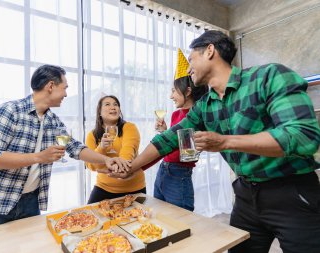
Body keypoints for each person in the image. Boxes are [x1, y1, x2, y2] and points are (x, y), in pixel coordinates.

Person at [110, 30, 320, 253]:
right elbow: (169, 138)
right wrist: (133, 167)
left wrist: (226, 142)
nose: (189, 68)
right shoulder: (204, 105)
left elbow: (303, 136)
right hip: (245, 195)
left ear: (210, 50)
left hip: (292, 193)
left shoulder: (269, 77)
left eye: (191, 59)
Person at [0, 65, 128, 229]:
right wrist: (39, 157)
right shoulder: (9, 111)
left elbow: (76, 148)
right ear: (51, 86)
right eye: (64, 88)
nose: (66, 94)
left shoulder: (53, 121)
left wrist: (107, 160)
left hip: (30, 203)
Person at [153, 49, 208, 211]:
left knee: (182, 219)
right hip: (164, 169)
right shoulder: (176, 114)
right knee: (160, 214)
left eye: (173, 91)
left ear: (188, 91)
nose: (170, 96)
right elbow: (175, 144)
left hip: (179, 174)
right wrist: (165, 132)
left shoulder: (196, 115)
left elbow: (187, 154)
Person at [85, 95, 146, 204]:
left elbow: (127, 154)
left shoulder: (130, 127)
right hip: (104, 188)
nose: (113, 107)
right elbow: (91, 165)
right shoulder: (92, 135)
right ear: (99, 112)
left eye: (116, 104)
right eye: (107, 104)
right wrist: (101, 148)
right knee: (90, 215)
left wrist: (108, 167)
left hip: (134, 188)